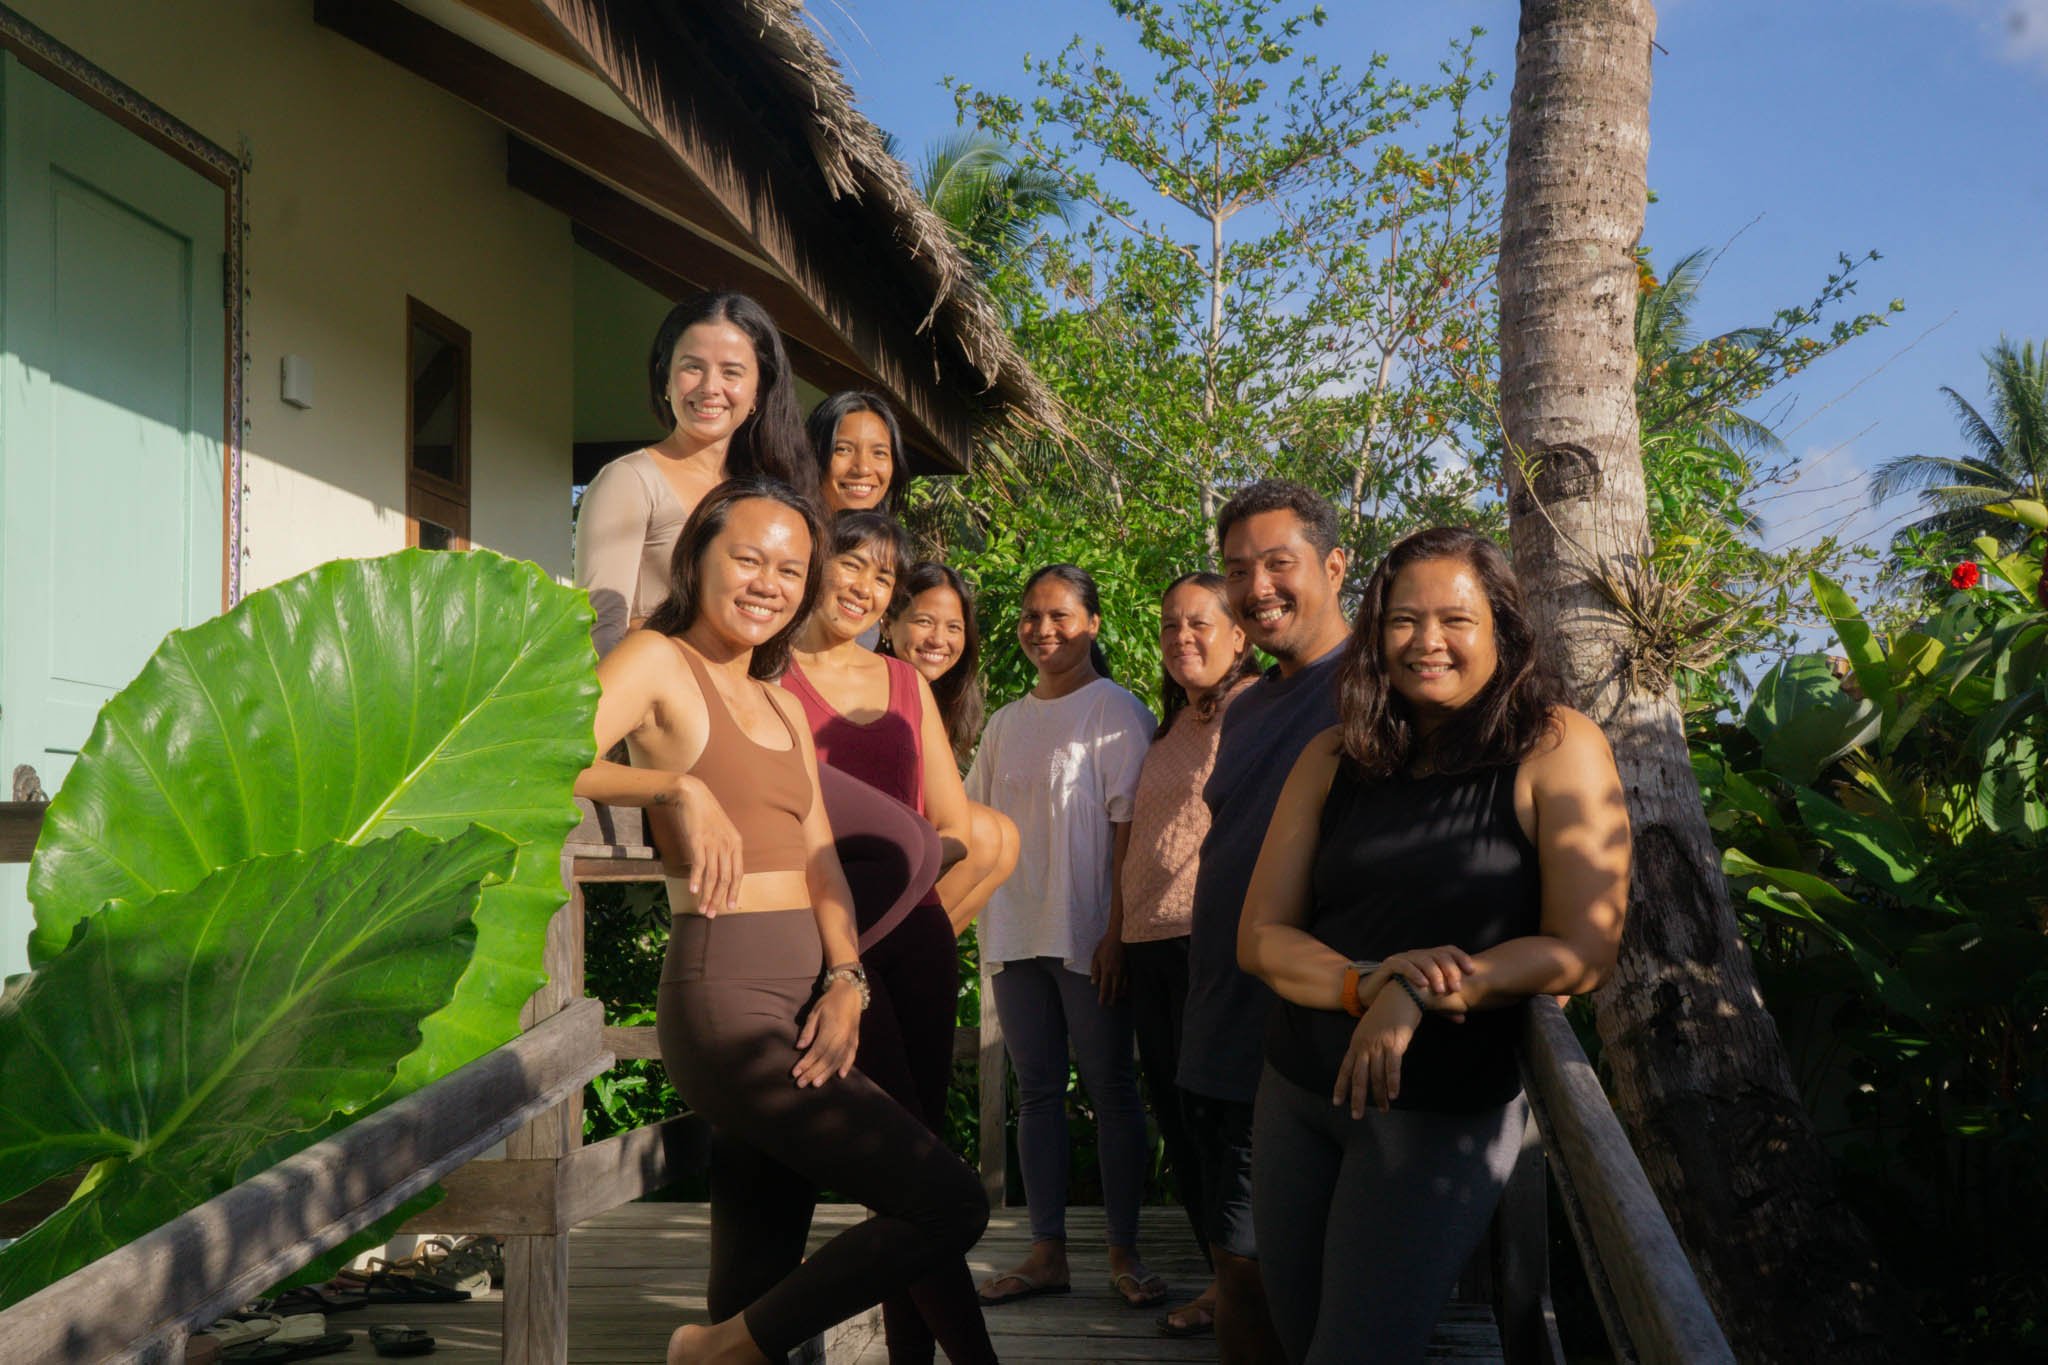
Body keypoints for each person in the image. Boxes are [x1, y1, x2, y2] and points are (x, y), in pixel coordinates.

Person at [574, 480, 988, 1365]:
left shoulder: (781, 702)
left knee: (754, 1271)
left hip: (813, 1001)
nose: (769, 582)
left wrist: (846, 980)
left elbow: (824, 861)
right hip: (727, 1001)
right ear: (699, 560)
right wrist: (671, 786)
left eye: (790, 568)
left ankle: (731, 1340)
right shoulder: (656, 660)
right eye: (749, 559)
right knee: (948, 1200)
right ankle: (720, 1350)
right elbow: (541, 756)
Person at [1237, 526, 1630, 1363]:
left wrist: (1424, 989)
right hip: (1299, 1091)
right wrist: (1368, 981)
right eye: (1403, 621)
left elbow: (1585, 948)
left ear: (1504, 630)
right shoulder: (1336, 753)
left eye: (1455, 619)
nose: (1426, 642)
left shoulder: (1556, 748)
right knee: (1299, 1339)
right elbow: (1261, 936)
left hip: (1440, 1115)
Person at [777, 510, 996, 1365]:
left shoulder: (906, 680)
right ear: (817, 563)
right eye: (851, 564)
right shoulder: (768, 673)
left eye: (882, 577)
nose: (864, 587)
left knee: (924, 1167)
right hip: (827, 945)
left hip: (917, 933)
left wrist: (890, 856)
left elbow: (951, 824)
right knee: (906, 1171)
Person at [1178, 479, 1352, 1365]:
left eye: (1279, 563)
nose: (1258, 587)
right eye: (1239, 568)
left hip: (1299, 1036)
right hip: (1216, 1018)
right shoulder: (1246, 706)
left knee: (1264, 1275)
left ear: (1333, 565)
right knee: (1233, 1267)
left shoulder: (1373, 693)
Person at [964, 564, 1166, 1311]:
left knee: (1113, 1090)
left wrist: (1116, 934)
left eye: (1060, 615)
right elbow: (972, 821)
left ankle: (1124, 1250)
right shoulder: (1008, 720)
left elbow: (1129, 836)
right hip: (1013, 929)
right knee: (1037, 1092)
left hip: (1088, 934)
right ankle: (1047, 1249)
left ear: (1093, 624)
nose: (1043, 629)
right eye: (1030, 615)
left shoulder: (1117, 712)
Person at [1121, 572, 1260, 1339]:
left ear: (1240, 632)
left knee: (1219, 1116)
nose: (1182, 638)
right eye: (1171, 625)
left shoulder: (1257, 709)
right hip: (1149, 944)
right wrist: (1117, 934)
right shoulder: (1174, 724)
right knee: (1176, 1113)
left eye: (1200, 624)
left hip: (1213, 940)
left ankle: (1236, 1288)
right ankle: (1221, 1275)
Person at [574, 290, 815, 658]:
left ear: (758, 391)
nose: (709, 387)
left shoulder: (766, 493)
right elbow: (599, 629)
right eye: (692, 367)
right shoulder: (630, 480)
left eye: (731, 372)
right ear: (665, 378)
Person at [882, 561, 1019, 932]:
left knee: (1003, 835)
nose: (939, 639)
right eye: (924, 621)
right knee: (983, 832)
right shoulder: (875, 683)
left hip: (914, 846)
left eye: (953, 627)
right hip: (870, 846)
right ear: (887, 622)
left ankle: (919, 950)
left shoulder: (942, 700)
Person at [807, 390, 910, 515]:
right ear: (812, 454)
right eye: (843, 450)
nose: (863, 469)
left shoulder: (888, 534)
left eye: (879, 453)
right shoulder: (785, 531)